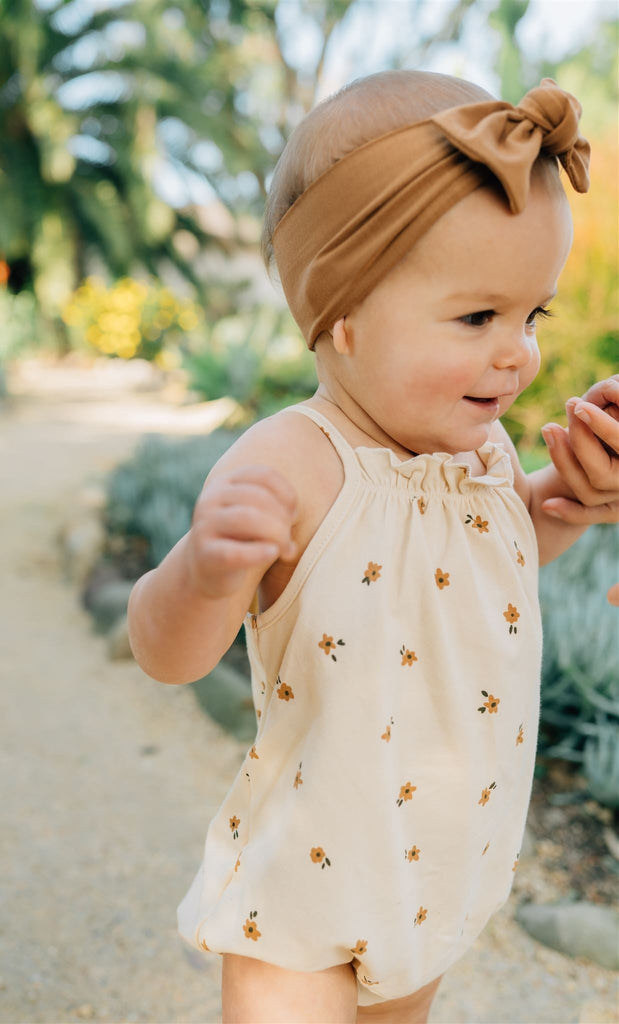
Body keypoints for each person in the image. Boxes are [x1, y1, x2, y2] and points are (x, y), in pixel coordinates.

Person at [127, 71, 619, 1024]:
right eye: (478, 317)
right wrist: (204, 569)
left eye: (532, 316)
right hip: (306, 887)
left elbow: (485, 566)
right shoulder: (292, 461)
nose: (517, 351)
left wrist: (565, 500)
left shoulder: (479, 450)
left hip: (437, 871)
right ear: (340, 313)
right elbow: (166, 653)